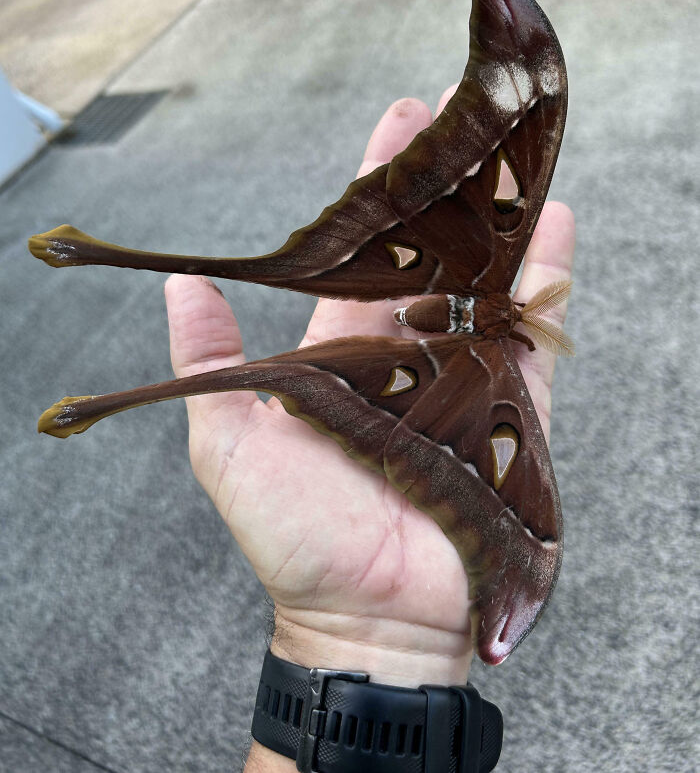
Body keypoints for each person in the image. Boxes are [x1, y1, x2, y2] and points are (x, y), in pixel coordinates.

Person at [163, 89, 576, 772]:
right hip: (439, 349)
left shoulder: (503, 364)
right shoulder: (503, 357)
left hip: (436, 338)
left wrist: (368, 640)